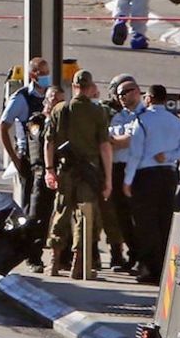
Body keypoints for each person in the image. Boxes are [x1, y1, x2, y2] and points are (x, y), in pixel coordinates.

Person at [44, 70, 112, 279]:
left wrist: (49, 170)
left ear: (73, 86)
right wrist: (108, 178)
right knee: (86, 215)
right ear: (90, 87)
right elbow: (105, 147)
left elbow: (49, 142)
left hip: (65, 169)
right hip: (89, 170)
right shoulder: (97, 111)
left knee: (61, 211)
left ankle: (54, 262)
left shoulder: (60, 109)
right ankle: (78, 264)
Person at [123, 85, 180, 283]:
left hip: (145, 176)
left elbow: (135, 153)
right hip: (168, 175)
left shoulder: (142, 121)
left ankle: (149, 269)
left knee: (146, 224)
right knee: (164, 221)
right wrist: (169, 156)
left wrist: (127, 181)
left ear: (150, 98)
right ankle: (164, 268)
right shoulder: (176, 122)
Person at [0, 58, 49, 272]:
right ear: (33, 75)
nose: (46, 76)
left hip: (49, 159)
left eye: (47, 72)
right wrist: (15, 159)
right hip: (29, 158)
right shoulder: (21, 99)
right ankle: (31, 255)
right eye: (42, 73)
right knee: (32, 210)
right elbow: (3, 126)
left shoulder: (49, 96)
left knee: (47, 210)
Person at [23, 84, 64, 274]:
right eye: (55, 99)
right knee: (38, 216)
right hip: (41, 173)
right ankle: (33, 257)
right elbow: (38, 139)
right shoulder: (36, 121)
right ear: (46, 101)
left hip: (61, 171)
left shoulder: (64, 122)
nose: (58, 104)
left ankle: (63, 257)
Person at [107, 78, 145, 272]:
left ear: (137, 91)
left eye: (126, 92)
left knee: (137, 215)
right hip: (117, 168)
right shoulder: (119, 116)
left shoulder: (144, 114)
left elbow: (129, 140)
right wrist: (117, 138)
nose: (121, 97)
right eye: (119, 94)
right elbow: (110, 138)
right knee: (121, 216)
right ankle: (132, 255)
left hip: (136, 169)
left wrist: (117, 138)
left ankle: (143, 259)